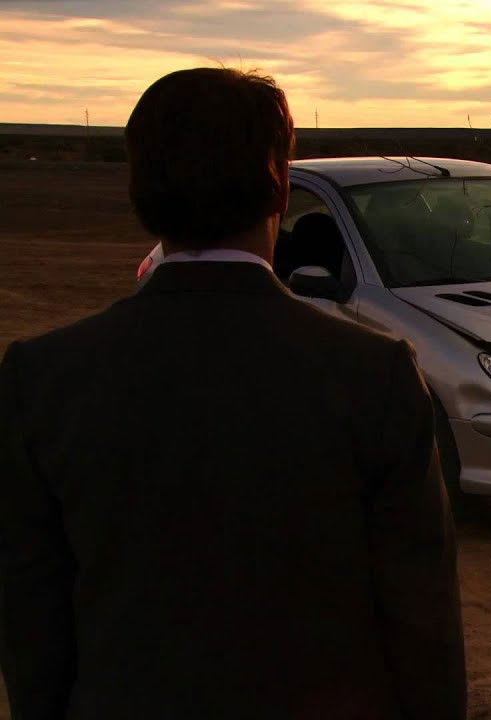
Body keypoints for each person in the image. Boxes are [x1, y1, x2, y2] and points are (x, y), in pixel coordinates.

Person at [0, 68, 466, 719]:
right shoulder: (374, 374)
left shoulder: (42, 378)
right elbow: (423, 629)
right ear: (280, 184)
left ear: (139, 188)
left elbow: (32, 632)